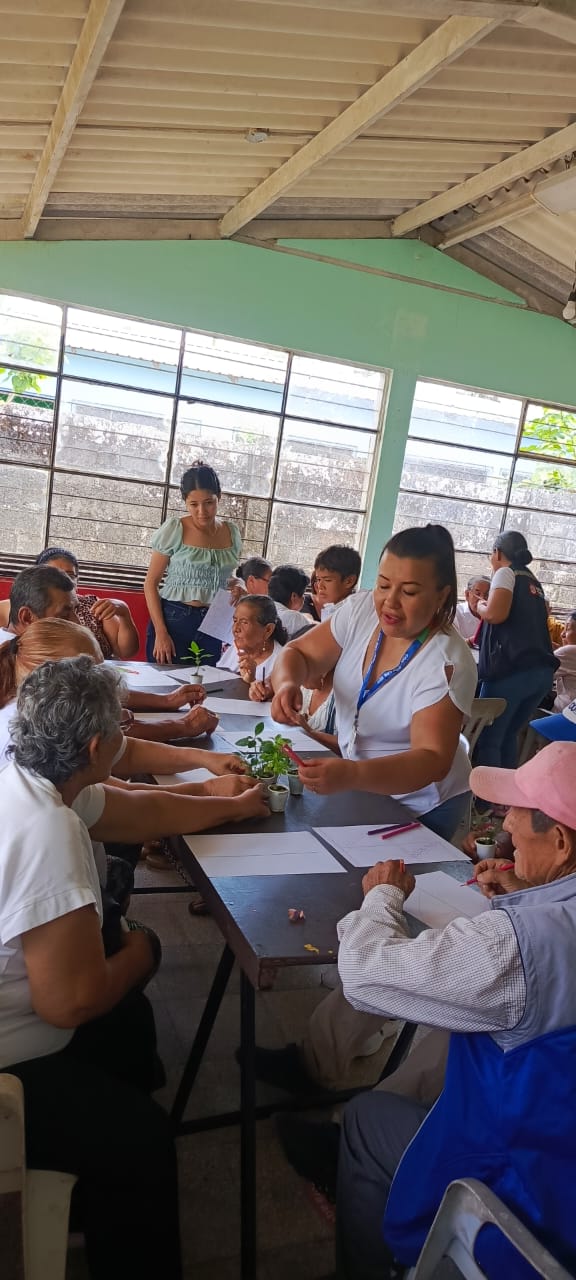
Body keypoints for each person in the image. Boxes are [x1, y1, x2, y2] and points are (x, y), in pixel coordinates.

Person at [328, 741, 576, 1280]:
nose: (506, 824)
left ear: (560, 841)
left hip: (534, 1196)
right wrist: (531, 893)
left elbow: (365, 973)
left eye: (518, 811)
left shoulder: (516, 946)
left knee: (368, 1119)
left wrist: (382, 897)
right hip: (560, 1135)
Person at [252, 524, 477, 1093]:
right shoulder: (358, 613)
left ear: (442, 595)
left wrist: (351, 773)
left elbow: (429, 760)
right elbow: (300, 653)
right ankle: (349, 1020)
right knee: (355, 899)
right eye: (383, 584)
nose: (390, 602)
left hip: (420, 804)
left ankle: (335, 1053)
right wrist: (288, 683)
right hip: (361, 787)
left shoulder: (448, 660)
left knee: (391, 917)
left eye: (410, 591)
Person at [0, 657, 182, 1280]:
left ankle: (83, 1202)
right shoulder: (48, 825)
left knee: (129, 1031)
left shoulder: (21, 773)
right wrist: (142, 953)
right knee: (143, 1140)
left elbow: (134, 808)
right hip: (10, 1064)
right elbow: (68, 1002)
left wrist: (223, 797)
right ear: (97, 748)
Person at [144, 461, 242, 665]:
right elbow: (150, 584)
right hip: (174, 620)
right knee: (166, 682)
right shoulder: (175, 529)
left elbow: (224, 578)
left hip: (214, 623)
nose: (202, 511)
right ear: (185, 502)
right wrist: (161, 632)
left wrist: (239, 585)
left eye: (209, 502)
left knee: (207, 681)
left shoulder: (231, 532)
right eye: (193, 504)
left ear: (219, 497)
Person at [475, 530, 558, 769]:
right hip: (540, 673)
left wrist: (481, 605)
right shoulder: (533, 581)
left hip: (512, 671)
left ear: (497, 552)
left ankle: (486, 792)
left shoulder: (505, 572)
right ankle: (507, 792)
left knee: (490, 738)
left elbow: (496, 614)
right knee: (508, 735)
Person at [34, 546, 139, 659]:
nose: (64, 581)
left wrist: (124, 612)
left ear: (77, 580)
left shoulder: (94, 606)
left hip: (97, 670)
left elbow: (125, 652)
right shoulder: (32, 609)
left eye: (70, 575)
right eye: (54, 576)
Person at [217, 595, 288, 699]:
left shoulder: (282, 661)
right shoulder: (236, 648)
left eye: (244, 622)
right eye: (235, 621)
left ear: (268, 630)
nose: (235, 629)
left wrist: (251, 681)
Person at [306, 544, 362, 622]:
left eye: (327, 580)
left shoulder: (355, 613)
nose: (320, 586)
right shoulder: (331, 608)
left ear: (349, 581)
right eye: (318, 579)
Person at [268, 564, 313, 637]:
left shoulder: (259, 608)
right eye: (303, 594)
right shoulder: (294, 618)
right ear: (294, 596)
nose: (304, 598)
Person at [453, 574, 490, 641]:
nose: (482, 599)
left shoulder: (493, 616)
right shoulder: (455, 613)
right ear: (467, 595)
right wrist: (475, 639)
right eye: (477, 594)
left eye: (487, 595)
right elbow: (453, 644)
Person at [552, 612, 576, 711]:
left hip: (565, 715)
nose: (562, 634)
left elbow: (538, 675)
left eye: (567, 629)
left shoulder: (570, 651)